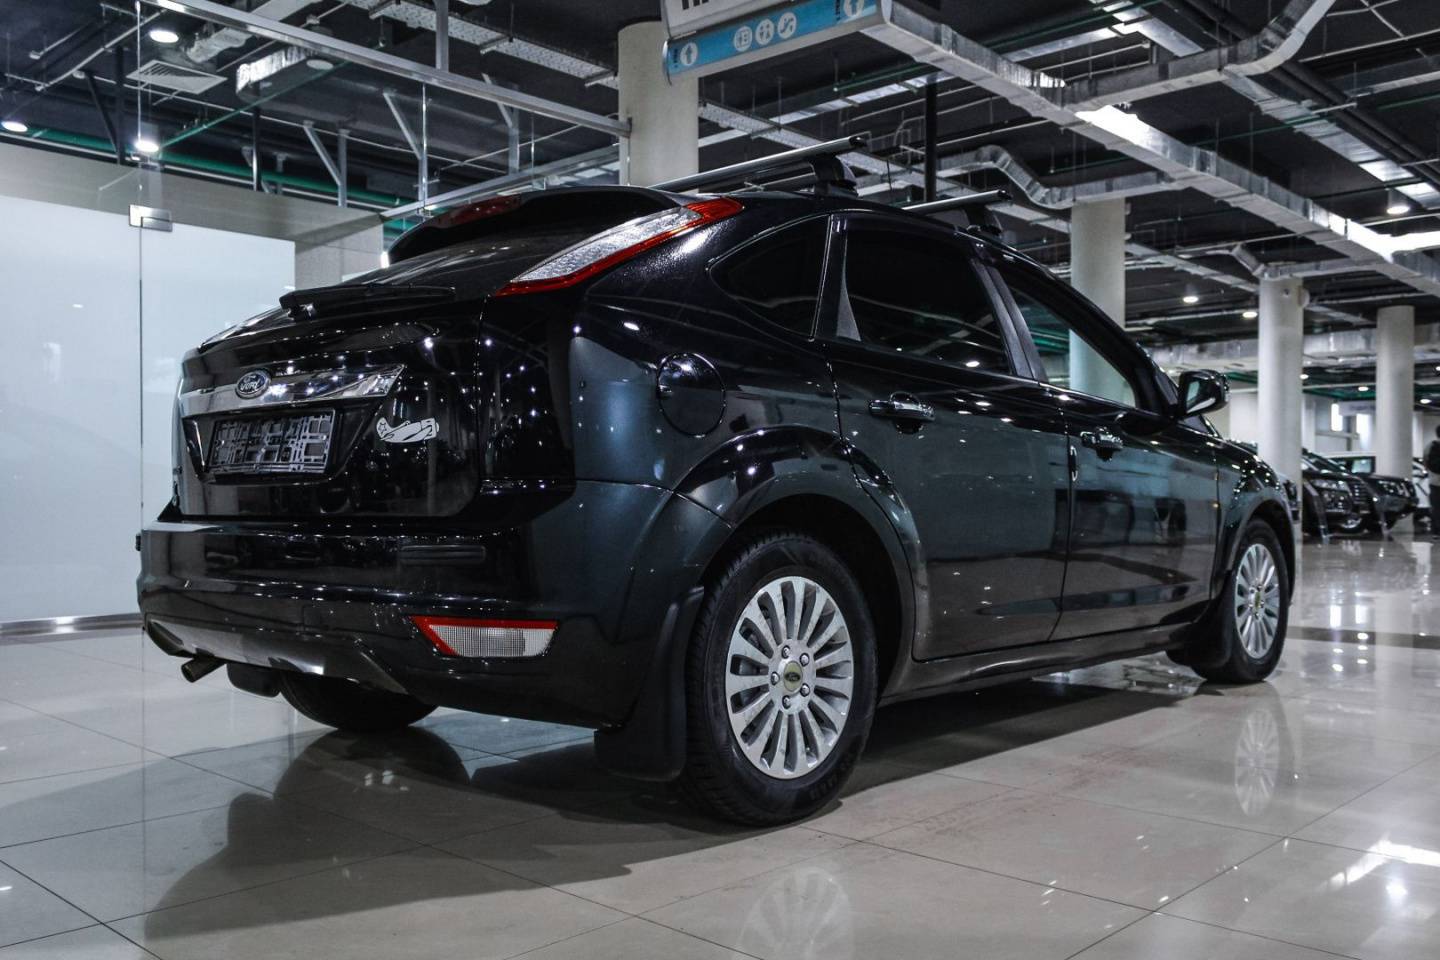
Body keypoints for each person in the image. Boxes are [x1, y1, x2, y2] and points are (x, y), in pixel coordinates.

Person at [1427, 426, 1440, 539]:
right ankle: (1436, 531)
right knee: (1437, 508)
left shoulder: (1430, 446)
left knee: (1436, 507)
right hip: (1436, 482)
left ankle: (1436, 532)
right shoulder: (1433, 447)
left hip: (1434, 481)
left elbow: (1426, 463)